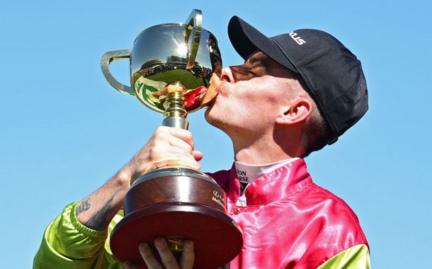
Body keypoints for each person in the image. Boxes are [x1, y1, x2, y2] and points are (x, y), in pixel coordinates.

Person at [34, 15, 370, 269]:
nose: (224, 73)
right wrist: (127, 178)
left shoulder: (330, 230)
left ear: (293, 110)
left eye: (253, 70)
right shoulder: (172, 195)